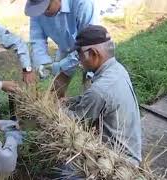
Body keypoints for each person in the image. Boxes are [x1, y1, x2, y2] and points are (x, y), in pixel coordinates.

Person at [60, 25, 142, 179]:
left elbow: (75, 122)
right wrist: (70, 101)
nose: (79, 61)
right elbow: (92, 101)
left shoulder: (99, 91)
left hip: (115, 164)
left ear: (93, 53)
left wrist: (56, 108)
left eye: (79, 55)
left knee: (66, 172)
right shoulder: (117, 70)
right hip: (132, 151)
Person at [24, 0, 99, 98]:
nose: (42, 13)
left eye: (46, 8)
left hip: (91, 49)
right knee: (55, 90)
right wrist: (44, 65)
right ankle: (58, 110)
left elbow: (88, 43)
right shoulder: (38, 10)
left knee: (92, 90)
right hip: (65, 48)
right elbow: (37, 39)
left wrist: (62, 67)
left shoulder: (83, 3)